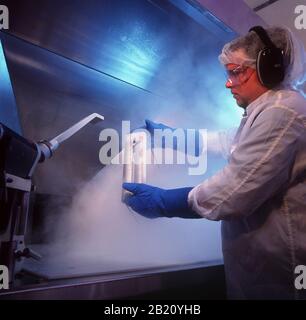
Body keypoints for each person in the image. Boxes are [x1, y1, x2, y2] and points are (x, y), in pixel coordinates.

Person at [122, 26, 306, 300]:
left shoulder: (283, 111)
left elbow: (234, 191)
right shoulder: (267, 110)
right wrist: (170, 137)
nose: (228, 83)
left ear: (269, 67)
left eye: (236, 72)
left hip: (280, 271)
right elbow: (224, 142)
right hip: (260, 267)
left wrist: (164, 202)